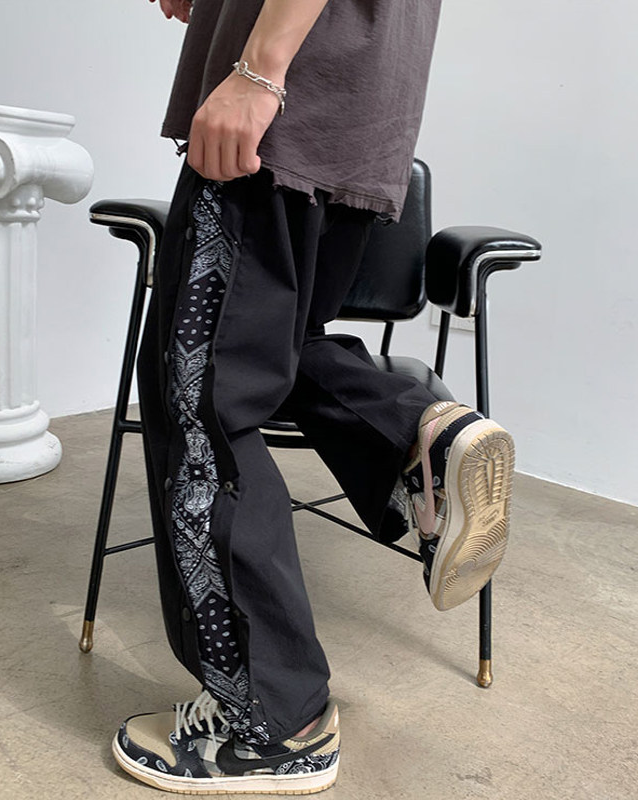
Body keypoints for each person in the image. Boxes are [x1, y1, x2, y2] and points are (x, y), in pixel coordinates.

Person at [112, 0, 514, 794]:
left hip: (279, 115)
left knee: (203, 403)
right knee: (270, 354)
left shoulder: (266, 86)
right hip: (354, 124)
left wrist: (258, 72)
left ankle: (273, 725)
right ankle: (418, 438)